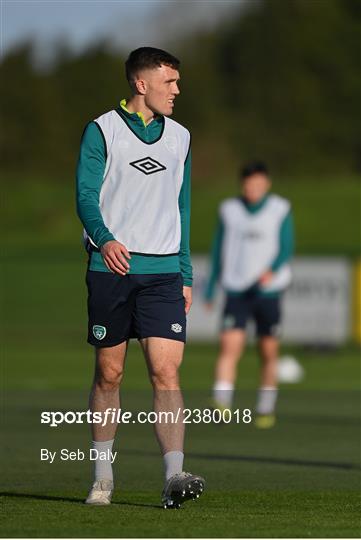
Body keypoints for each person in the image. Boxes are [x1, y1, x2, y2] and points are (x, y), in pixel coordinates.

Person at [76, 47, 204, 508]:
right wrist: (105, 239)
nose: (176, 90)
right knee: (109, 375)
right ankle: (103, 477)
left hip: (164, 273)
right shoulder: (102, 131)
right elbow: (86, 196)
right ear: (140, 83)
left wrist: (185, 272)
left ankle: (174, 475)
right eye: (168, 82)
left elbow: (182, 208)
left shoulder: (182, 138)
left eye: (177, 82)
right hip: (111, 270)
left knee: (166, 373)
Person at [204, 161, 294, 428]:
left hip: (268, 291)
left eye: (257, 184)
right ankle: (222, 401)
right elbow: (218, 248)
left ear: (266, 183)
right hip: (237, 289)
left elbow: (286, 246)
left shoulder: (280, 209)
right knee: (230, 346)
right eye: (248, 184)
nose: (252, 189)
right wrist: (211, 287)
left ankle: (265, 407)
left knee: (268, 350)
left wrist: (271, 271)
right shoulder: (229, 210)